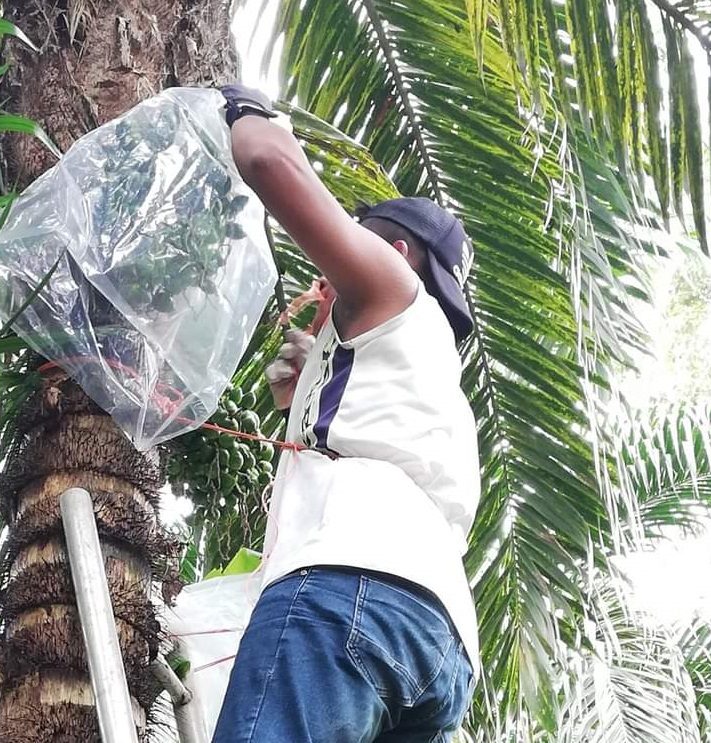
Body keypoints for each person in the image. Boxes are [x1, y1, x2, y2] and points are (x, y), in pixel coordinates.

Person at [211, 84, 481, 743]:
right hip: (439, 646)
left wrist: (245, 111)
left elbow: (267, 161)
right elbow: (361, 422)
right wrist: (304, 388)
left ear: (395, 253)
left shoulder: (391, 284)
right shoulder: (431, 372)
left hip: (351, 590)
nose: (323, 281)